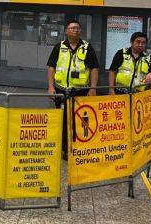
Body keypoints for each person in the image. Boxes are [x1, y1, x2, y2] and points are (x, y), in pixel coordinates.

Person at [46, 20, 99, 160]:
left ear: (80, 31)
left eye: (77, 28)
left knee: (79, 120)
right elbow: (51, 67)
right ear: (66, 31)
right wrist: (51, 87)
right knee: (62, 120)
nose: (75, 30)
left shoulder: (87, 47)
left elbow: (94, 68)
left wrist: (93, 88)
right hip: (60, 91)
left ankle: (76, 148)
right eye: (72, 28)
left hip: (80, 91)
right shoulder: (59, 47)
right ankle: (64, 149)